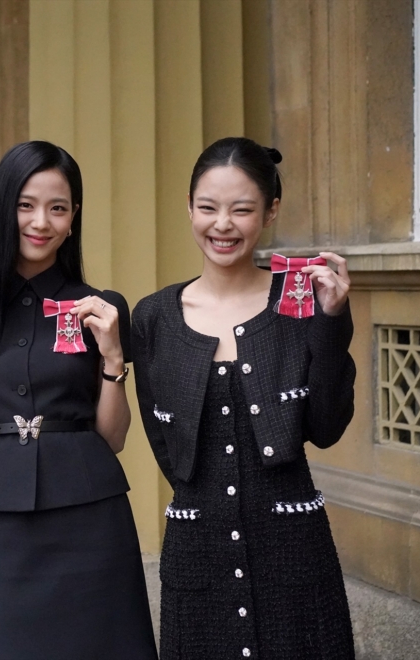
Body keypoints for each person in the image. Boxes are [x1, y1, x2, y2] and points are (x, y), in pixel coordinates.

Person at [0, 141, 158, 659]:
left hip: (90, 515)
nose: (41, 221)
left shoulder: (100, 307)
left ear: (74, 217)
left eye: (58, 208)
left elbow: (114, 437)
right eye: (26, 205)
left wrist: (112, 359)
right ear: (3, 207)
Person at [132, 136, 356, 659]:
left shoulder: (301, 304)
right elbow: (165, 444)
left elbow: (326, 428)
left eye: (242, 209)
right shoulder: (155, 317)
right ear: (189, 208)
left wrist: (331, 321)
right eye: (208, 208)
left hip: (292, 551)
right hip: (198, 550)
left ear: (271, 211)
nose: (222, 225)